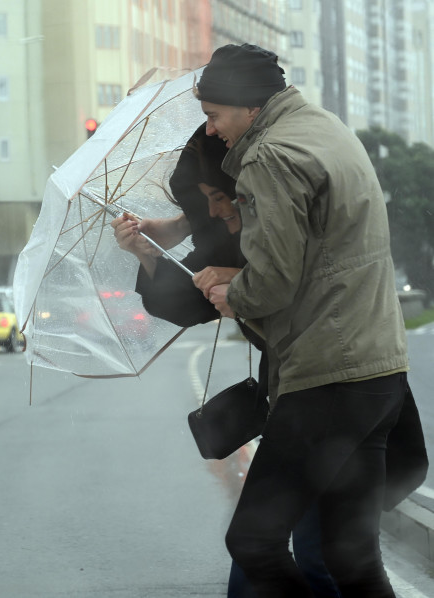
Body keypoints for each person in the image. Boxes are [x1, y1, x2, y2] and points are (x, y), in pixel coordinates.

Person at [193, 43, 410, 596]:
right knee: (351, 554)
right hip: (377, 370)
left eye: (214, 115)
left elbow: (273, 279)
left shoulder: (269, 156)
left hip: (327, 377)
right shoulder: (324, 128)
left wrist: (231, 293)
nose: (213, 130)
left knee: (254, 542)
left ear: (247, 106)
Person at [112, 123, 340, 598]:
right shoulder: (225, 228)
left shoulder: (290, 207)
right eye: (205, 202)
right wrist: (149, 252)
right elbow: (186, 301)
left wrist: (241, 282)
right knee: (274, 547)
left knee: (311, 552)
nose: (215, 211)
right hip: (291, 395)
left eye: (220, 197)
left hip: (335, 389)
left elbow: (316, 290)